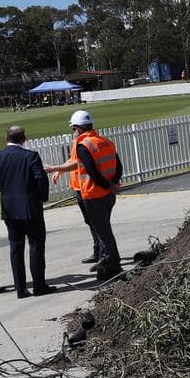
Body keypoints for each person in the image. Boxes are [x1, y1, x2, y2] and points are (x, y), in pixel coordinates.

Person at [45, 111, 124, 280]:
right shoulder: (105, 141)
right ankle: (106, 261)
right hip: (108, 194)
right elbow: (118, 166)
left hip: (94, 194)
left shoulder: (83, 145)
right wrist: (113, 184)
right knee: (104, 229)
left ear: (78, 128)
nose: (73, 132)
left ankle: (111, 264)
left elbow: (91, 171)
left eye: (73, 129)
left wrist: (107, 185)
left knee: (103, 232)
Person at [0, 126, 54, 298]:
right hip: (30, 206)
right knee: (36, 245)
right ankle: (39, 285)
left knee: (16, 247)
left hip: (9, 207)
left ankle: (20, 288)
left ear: (6, 138)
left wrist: (6, 189)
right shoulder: (30, 156)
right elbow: (40, 178)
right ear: (24, 139)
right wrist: (42, 197)